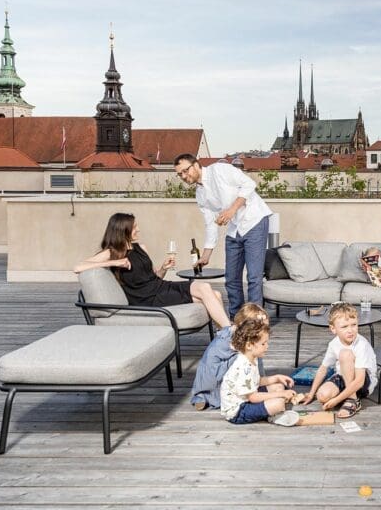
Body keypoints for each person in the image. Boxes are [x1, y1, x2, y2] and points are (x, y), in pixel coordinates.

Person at [73, 212, 230, 329]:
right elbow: (78, 267)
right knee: (205, 288)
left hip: (160, 288)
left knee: (215, 294)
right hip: (146, 298)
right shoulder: (111, 253)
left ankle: (223, 337)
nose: (138, 229)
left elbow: (155, 277)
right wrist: (116, 262)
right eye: (134, 227)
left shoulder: (141, 247)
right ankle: (230, 333)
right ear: (123, 230)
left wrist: (163, 268)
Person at [173, 153, 272, 319]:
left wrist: (232, 210)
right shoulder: (200, 194)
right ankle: (237, 320)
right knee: (231, 278)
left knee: (254, 277)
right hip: (234, 229)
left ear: (196, 165)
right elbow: (211, 223)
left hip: (254, 221)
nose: (183, 176)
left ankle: (256, 321)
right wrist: (206, 254)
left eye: (185, 170)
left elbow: (249, 184)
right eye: (180, 174)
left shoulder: (220, 170)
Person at [302, 303, 377, 418]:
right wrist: (312, 393)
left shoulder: (361, 344)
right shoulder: (333, 344)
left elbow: (360, 381)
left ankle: (353, 400)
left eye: (354, 325)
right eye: (344, 326)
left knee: (344, 354)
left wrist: (336, 400)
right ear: (333, 329)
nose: (350, 330)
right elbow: (323, 369)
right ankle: (346, 395)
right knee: (322, 396)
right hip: (343, 376)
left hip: (363, 383)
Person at [220, 319, 299, 426]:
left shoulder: (252, 357)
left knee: (278, 386)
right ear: (249, 345)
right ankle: (275, 416)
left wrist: (276, 378)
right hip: (239, 411)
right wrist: (281, 394)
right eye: (263, 344)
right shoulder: (243, 367)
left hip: (247, 397)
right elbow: (253, 397)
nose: (267, 346)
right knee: (278, 403)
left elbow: (257, 381)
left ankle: (272, 410)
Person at [191, 302, 268, 411]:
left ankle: (256, 381)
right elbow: (213, 364)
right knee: (250, 354)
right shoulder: (228, 340)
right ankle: (206, 395)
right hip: (215, 373)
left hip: (219, 369)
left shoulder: (240, 334)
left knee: (254, 351)